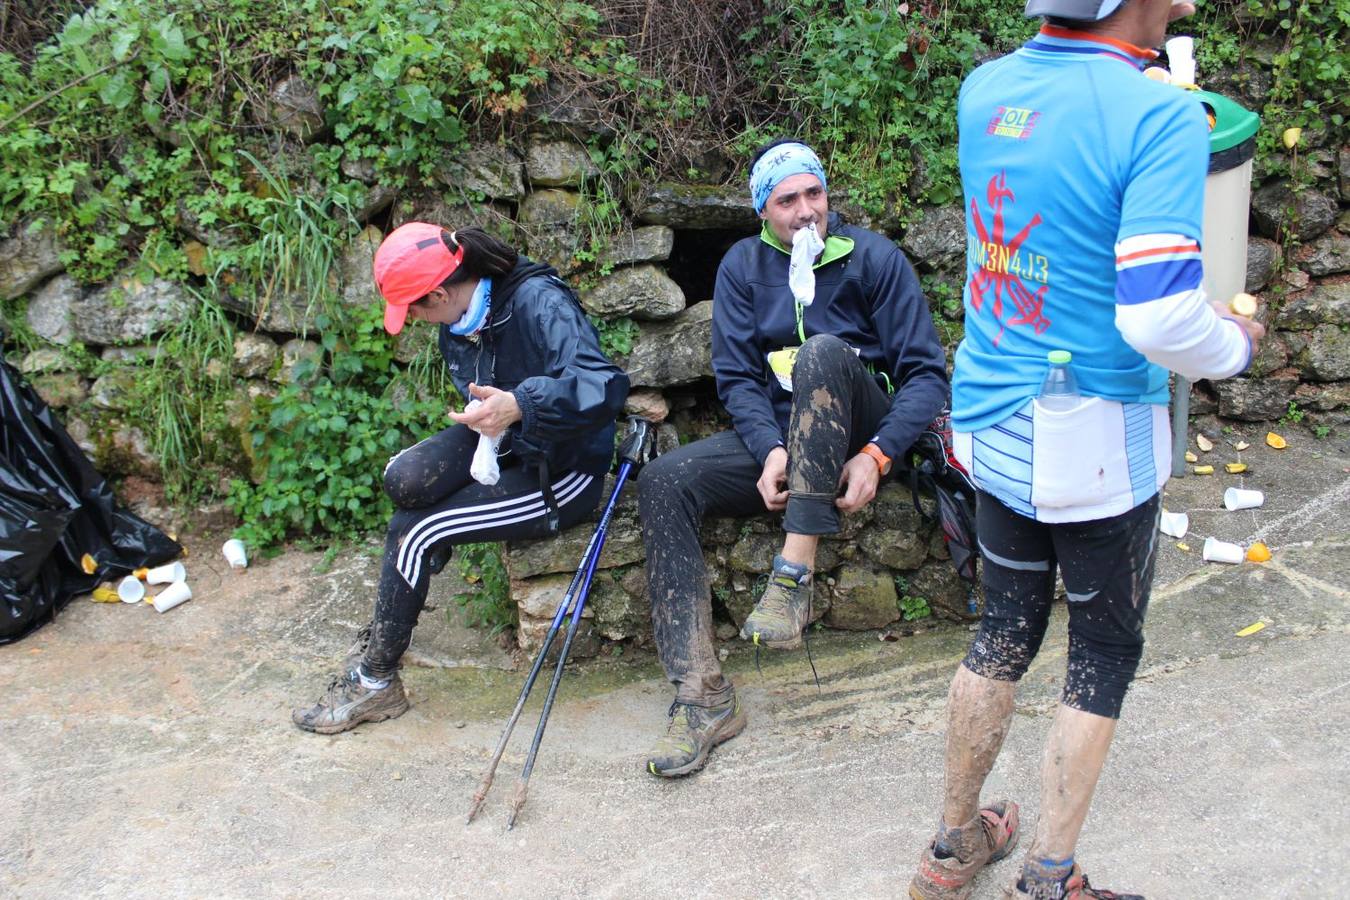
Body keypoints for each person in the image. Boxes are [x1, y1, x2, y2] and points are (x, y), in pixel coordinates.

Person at [905, 2, 1265, 898]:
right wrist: (1233, 345)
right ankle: (1049, 878)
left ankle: (952, 850)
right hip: (1092, 433)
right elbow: (1156, 313)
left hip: (991, 412)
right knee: (1102, 649)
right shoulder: (1159, 116)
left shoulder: (985, 89)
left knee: (1002, 631)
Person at [637, 139, 949, 777]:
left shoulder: (874, 259)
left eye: (815, 193)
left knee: (824, 352)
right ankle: (703, 698)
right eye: (787, 200)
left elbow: (926, 378)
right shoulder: (743, 268)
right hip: (785, 436)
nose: (806, 210)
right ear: (763, 211)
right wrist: (771, 449)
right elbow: (737, 378)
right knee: (664, 481)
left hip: (859, 426)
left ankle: (792, 575)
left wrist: (878, 454)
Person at [292, 223, 628, 734]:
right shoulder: (459, 318)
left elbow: (603, 387)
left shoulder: (538, 301)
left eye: (416, 310)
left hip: (563, 470)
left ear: (441, 292)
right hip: (505, 441)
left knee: (415, 528)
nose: (416, 323)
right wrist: (499, 416)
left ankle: (376, 683)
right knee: (403, 480)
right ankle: (430, 554)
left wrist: (521, 406)